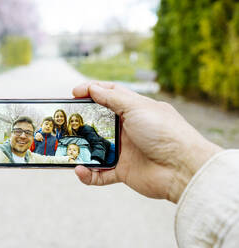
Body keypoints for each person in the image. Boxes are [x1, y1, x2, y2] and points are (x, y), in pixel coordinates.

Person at [72, 82, 239, 247]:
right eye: (70, 122)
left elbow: (98, 144)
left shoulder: (86, 129)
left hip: (107, 155)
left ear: (80, 121)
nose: (72, 123)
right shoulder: (74, 132)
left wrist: (95, 159)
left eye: (75, 120)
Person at [0, 116, 74, 164]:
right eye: (18, 131)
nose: (23, 136)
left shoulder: (31, 158)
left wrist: (68, 159)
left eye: (28, 132)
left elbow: (50, 159)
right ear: (10, 134)